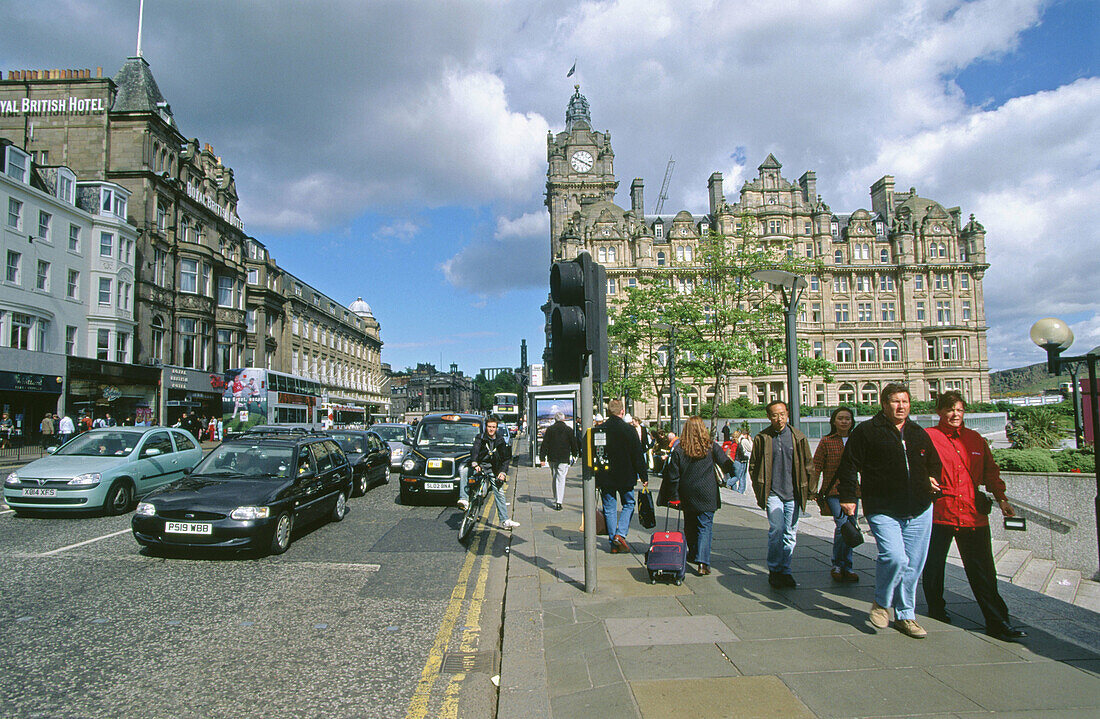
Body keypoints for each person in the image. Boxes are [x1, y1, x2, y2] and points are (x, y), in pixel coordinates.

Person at [838, 383, 942, 639]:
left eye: (905, 401)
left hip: (919, 507)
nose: (901, 406)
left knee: (913, 565)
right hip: (883, 507)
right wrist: (849, 496)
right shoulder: (867, 432)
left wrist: (932, 478)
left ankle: (906, 616)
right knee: (895, 557)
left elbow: (933, 463)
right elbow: (849, 464)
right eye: (895, 401)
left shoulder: (918, 432)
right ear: (884, 404)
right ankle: (882, 602)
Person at [923, 391, 1027, 641]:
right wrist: (924, 478)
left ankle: (998, 622)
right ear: (939, 412)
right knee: (933, 567)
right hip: (940, 513)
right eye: (949, 409)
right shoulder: (928, 437)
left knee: (983, 571)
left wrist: (1002, 499)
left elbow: (991, 472)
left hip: (973, 514)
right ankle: (936, 609)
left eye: (959, 409)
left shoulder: (975, 439)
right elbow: (913, 466)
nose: (955, 414)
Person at [658, 416, 735, 575]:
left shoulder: (680, 449)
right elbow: (726, 464)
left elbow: (673, 476)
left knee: (690, 525)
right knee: (705, 526)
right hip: (707, 493)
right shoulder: (710, 446)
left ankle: (693, 553)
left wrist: (674, 496)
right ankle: (703, 562)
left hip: (688, 493)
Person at [750, 401, 815, 588]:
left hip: (793, 493)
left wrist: (810, 490)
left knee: (790, 534)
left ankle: (785, 570)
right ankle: (774, 569)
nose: (779, 419)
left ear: (787, 414)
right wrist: (759, 488)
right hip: (773, 493)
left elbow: (809, 464)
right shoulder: (762, 438)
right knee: (776, 530)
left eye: (782, 414)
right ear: (768, 417)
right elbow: (753, 466)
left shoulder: (798, 437)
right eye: (774, 415)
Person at [812, 406, 859, 583]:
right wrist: (812, 489)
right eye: (840, 418)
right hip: (833, 491)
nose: (844, 421)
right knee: (842, 527)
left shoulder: (857, 440)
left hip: (853, 491)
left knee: (851, 528)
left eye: (847, 418)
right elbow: (817, 466)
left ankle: (847, 566)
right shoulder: (827, 441)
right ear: (834, 421)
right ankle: (838, 564)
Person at [594, 399, 648, 553]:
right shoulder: (629, 430)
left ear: (608, 412)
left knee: (609, 508)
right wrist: (644, 476)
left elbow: (596, 455)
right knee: (629, 504)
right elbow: (637, 455)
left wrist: (597, 478)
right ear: (622, 412)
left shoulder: (600, 430)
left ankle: (613, 543)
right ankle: (620, 534)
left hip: (606, 476)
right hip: (626, 476)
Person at [464, 415, 519, 529]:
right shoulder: (480, 438)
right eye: (489, 427)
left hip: (494, 470)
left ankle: (505, 520)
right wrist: (475, 463)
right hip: (481, 468)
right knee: (470, 480)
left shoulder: (500, 440)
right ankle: (466, 502)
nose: (491, 429)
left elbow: (505, 459)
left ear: (496, 428)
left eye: (493, 427)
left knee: (499, 493)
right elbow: (475, 450)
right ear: (486, 427)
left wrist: (502, 472)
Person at [539, 412, 579, 511]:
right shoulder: (569, 430)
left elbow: (545, 444)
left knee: (554, 476)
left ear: (555, 419)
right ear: (563, 419)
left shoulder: (550, 430)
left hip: (552, 458)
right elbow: (574, 443)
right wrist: (575, 454)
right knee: (561, 478)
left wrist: (542, 458)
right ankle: (559, 501)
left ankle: (556, 497)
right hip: (564, 458)